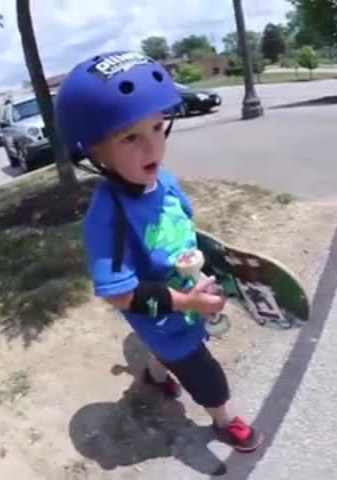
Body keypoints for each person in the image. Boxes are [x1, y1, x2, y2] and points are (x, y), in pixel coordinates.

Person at [54, 51, 263, 452]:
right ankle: (224, 421)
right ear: (96, 153)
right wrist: (188, 301)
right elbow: (118, 292)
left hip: (189, 295)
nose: (153, 147)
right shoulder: (108, 216)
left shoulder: (164, 181)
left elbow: (184, 230)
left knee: (169, 349)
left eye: (156, 127)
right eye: (130, 137)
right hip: (163, 314)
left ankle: (154, 374)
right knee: (203, 371)